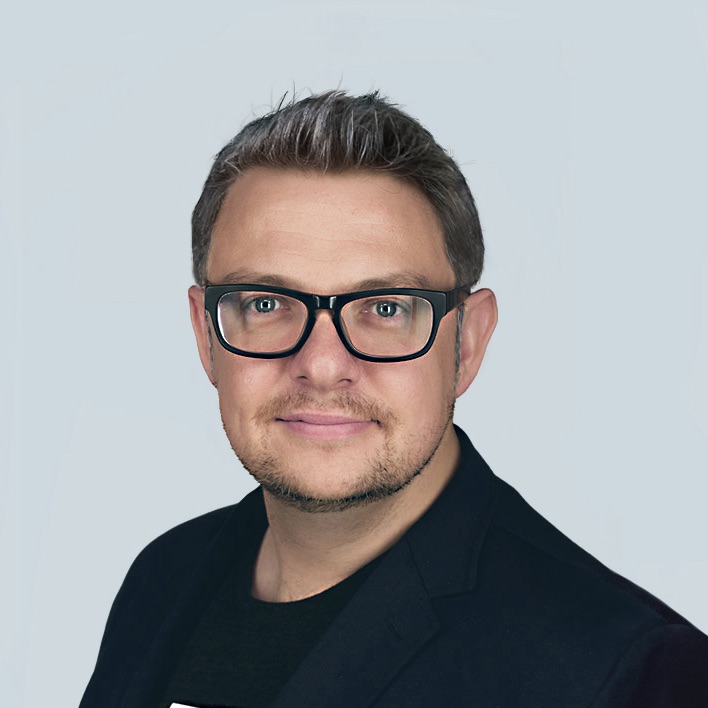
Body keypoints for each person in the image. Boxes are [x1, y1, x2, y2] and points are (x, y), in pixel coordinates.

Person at [80, 91, 708, 708]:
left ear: (467, 342)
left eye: (386, 308)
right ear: (205, 333)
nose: (322, 366)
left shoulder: (628, 671)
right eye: (266, 304)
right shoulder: (162, 580)